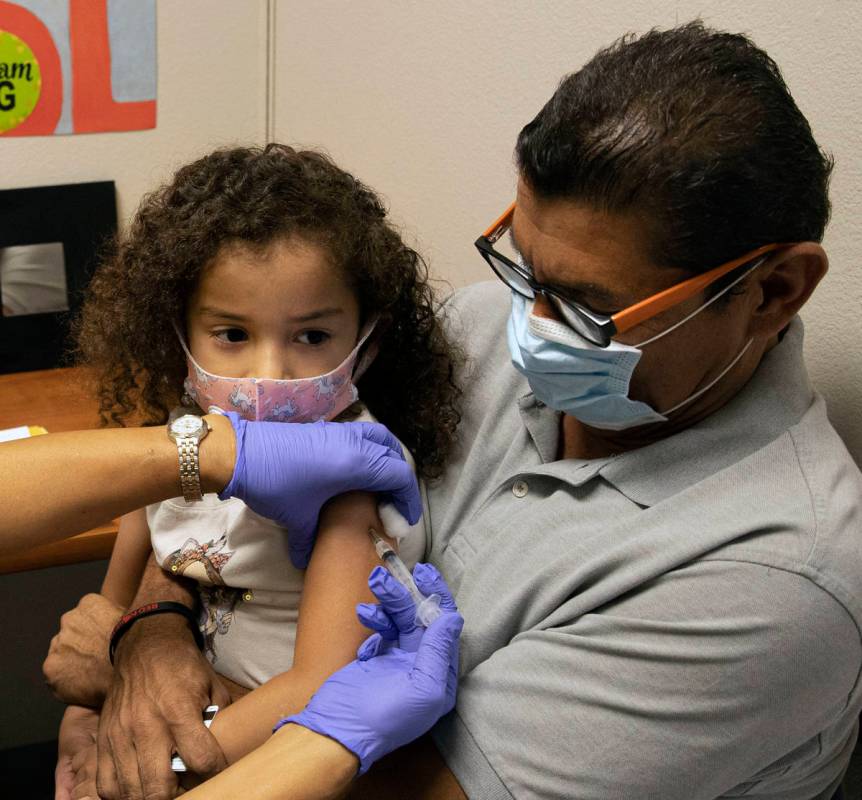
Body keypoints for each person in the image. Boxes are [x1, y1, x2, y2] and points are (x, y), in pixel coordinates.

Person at [44, 20, 862, 800]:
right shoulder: (474, 334)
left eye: (584, 307)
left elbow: (365, 786)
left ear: (774, 291)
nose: (534, 329)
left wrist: (139, 699)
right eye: (525, 270)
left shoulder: (769, 586)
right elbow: (230, 486)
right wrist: (152, 626)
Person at [40, 143, 462, 796]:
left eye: (312, 337)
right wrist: (83, 723)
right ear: (175, 334)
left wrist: (158, 766)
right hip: (178, 719)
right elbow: (115, 600)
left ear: (366, 342)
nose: (270, 374)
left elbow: (317, 685)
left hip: (269, 755)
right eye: (232, 335)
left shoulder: (352, 476)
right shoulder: (182, 439)